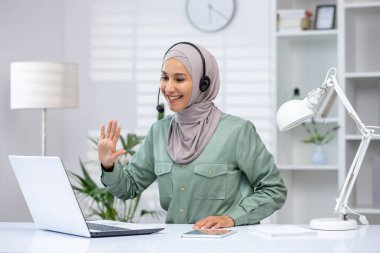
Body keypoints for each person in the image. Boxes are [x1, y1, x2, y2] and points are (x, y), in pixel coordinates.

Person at [98, 42, 287, 229]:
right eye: (165, 78)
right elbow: (128, 188)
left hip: (227, 245)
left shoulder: (237, 131)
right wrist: (108, 165)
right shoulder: (158, 132)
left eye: (179, 79)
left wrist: (231, 218)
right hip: (175, 245)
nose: (169, 88)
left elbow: (274, 190)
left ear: (203, 84)